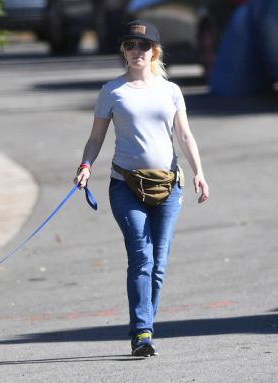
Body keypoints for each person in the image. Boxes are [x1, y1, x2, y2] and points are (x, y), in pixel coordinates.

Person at [74, 20, 209, 357]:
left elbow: (185, 135)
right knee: (141, 257)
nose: (137, 51)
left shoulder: (171, 91)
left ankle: (145, 322)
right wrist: (86, 166)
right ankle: (143, 332)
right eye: (131, 45)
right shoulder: (112, 91)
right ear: (124, 50)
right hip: (125, 186)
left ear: (155, 52)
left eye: (143, 46)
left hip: (168, 186)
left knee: (158, 263)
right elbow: (95, 138)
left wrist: (199, 173)